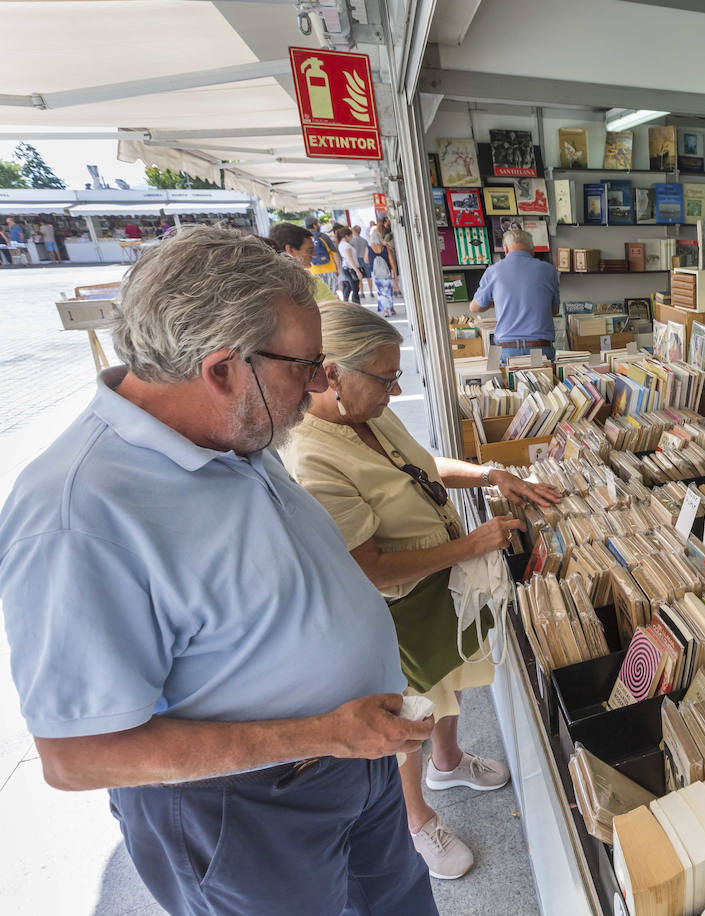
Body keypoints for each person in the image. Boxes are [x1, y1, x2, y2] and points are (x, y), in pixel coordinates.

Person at [0, 227, 438, 915]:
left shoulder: (234, 430)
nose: (321, 383)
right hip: (247, 810)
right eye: (305, 364)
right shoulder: (77, 514)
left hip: (354, 765)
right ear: (221, 368)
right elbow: (77, 755)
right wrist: (324, 733)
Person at [282, 303, 560, 878]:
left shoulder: (371, 414)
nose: (396, 387)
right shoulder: (311, 455)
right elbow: (371, 569)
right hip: (396, 608)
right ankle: (417, 819)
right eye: (385, 377)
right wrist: (471, 546)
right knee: (411, 709)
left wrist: (491, 474)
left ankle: (449, 762)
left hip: (441, 588)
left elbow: (425, 467)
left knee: (451, 682)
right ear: (332, 374)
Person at [469, 227, 559, 364]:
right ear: (532, 250)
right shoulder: (549, 270)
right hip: (539, 348)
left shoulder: (493, 271)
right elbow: (554, 310)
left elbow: (475, 308)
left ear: (505, 249)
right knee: (541, 382)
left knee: (508, 385)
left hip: (507, 349)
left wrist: (495, 303)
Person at [269, 222, 335, 303]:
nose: (314, 255)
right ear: (290, 250)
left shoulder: (267, 289)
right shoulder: (310, 284)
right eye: (310, 250)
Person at [305, 218, 339, 293]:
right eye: (318, 224)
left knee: (319, 295)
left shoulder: (304, 238)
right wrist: (338, 268)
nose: (319, 225)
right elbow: (334, 253)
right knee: (332, 294)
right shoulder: (323, 236)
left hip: (313, 271)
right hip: (329, 269)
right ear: (314, 225)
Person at [368, 229, 397, 316]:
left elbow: (366, 260)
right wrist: (394, 271)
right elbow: (392, 261)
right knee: (388, 290)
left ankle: (385, 311)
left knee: (380, 292)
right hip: (386, 273)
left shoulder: (369, 248)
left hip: (376, 274)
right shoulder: (385, 248)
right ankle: (391, 309)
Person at [334, 225, 362, 304]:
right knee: (355, 288)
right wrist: (357, 271)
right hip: (351, 268)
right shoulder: (346, 245)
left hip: (347, 268)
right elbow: (350, 258)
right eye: (351, 236)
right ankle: (356, 304)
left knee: (351, 287)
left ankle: (348, 302)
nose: (352, 238)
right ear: (346, 236)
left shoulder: (341, 244)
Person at [351, 224, 373, 297]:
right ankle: (371, 292)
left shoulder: (351, 241)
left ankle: (362, 293)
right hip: (365, 259)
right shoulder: (364, 240)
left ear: (353, 231)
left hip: (357, 260)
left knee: (359, 277)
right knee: (368, 276)